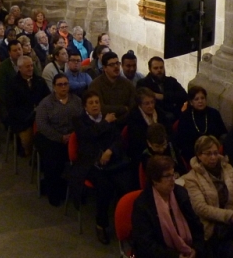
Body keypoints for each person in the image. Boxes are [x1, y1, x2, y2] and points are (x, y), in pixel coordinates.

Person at [69, 90, 132, 245]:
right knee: (104, 187)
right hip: (90, 163)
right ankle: (101, 224)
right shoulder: (79, 120)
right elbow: (88, 135)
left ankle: (129, 222)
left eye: (97, 102)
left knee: (127, 182)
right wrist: (106, 123)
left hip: (110, 160)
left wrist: (110, 151)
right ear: (85, 106)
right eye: (91, 103)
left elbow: (118, 139)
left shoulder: (106, 117)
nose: (95, 105)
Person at [183, 135, 233, 258]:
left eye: (215, 153)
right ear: (199, 155)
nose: (213, 157)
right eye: (208, 154)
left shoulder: (227, 168)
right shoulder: (191, 178)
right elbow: (201, 208)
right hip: (214, 228)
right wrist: (231, 216)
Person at [132, 155, 206, 258]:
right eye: (167, 176)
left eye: (173, 174)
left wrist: (196, 249)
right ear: (155, 180)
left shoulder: (180, 193)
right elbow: (145, 244)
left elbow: (196, 226)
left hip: (190, 251)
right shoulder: (143, 205)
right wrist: (175, 256)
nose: (173, 180)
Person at [34, 73, 82, 206]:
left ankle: (75, 190)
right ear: (54, 87)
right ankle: (53, 192)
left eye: (66, 84)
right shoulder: (46, 103)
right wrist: (60, 137)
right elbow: (42, 124)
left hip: (72, 137)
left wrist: (72, 136)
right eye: (60, 85)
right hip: (51, 137)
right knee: (53, 160)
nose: (63, 87)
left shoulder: (76, 100)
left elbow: (82, 120)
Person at [6, 56, 49, 158]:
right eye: (27, 67)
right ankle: (29, 155)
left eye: (31, 66)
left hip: (40, 115)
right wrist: (27, 116)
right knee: (28, 139)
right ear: (19, 68)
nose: (30, 68)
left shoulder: (39, 81)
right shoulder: (13, 84)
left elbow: (47, 98)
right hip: (22, 118)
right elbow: (12, 106)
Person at [174, 86, 227, 164]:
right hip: (193, 156)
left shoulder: (214, 113)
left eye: (202, 98)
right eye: (196, 99)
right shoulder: (185, 117)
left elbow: (223, 133)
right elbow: (182, 142)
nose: (200, 101)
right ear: (191, 102)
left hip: (214, 154)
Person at [88, 51, 136, 125]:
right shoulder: (95, 85)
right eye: (112, 65)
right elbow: (100, 108)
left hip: (125, 123)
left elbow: (132, 107)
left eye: (117, 63)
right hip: (103, 124)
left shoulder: (128, 84)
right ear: (104, 68)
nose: (116, 67)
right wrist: (123, 109)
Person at [137, 56, 188, 123]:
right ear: (150, 69)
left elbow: (184, 95)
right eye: (156, 68)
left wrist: (163, 96)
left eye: (161, 67)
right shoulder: (143, 84)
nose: (159, 70)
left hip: (175, 115)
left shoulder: (171, 81)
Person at [126, 87, 170, 163]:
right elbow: (137, 142)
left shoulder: (160, 113)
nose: (150, 106)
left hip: (163, 148)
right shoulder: (133, 117)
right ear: (139, 105)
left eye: (152, 102)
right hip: (144, 153)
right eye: (146, 103)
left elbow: (169, 132)